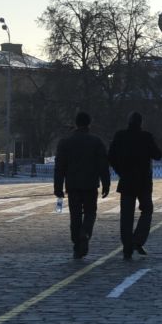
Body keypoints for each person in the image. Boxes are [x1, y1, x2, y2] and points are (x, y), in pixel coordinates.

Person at [53, 111, 111, 258]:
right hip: (91, 184)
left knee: (75, 215)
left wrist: (58, 187)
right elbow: (103, 165)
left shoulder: (65, 142)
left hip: (72, 185)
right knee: (90, 213)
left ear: (76, 123)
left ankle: (76, 243)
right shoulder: (96, 141)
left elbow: (60, 167)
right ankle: (85, 233)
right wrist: (106, 183)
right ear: (89, 123)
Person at [108, 111, 162, 261]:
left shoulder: (120, 136)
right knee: (147, 210)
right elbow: (158, 155)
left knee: (126, 216)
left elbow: (111, 156)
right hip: (143, 181)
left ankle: (127, 248)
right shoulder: (146, 137)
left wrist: (120, 170)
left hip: (126, 180)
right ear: (141, 123)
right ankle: (137, 240)